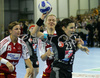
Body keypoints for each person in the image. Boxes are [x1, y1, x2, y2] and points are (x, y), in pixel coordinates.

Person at [33, 12, 88, 78]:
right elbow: (34, 34)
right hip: (54, 70)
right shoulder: (53, 38)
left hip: (67, 71)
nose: (73, 30)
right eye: (49, 20)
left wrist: (80, 46)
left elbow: (70, 50)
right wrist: (41, 18)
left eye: (53, 20)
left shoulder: (69, 37)